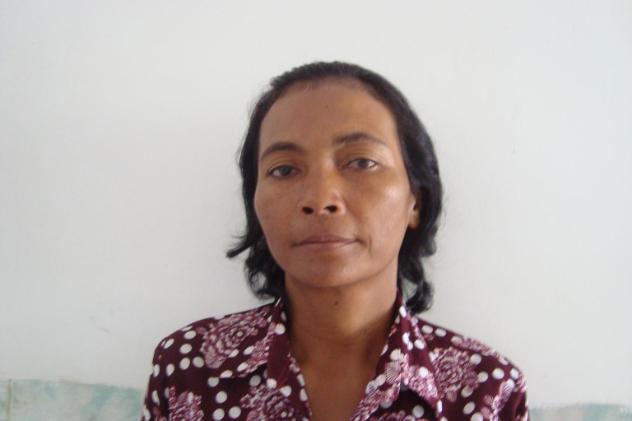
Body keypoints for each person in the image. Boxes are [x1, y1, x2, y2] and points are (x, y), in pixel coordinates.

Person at [140, 61, 529, 421]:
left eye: (361, 162)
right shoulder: (189, 369)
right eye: (284, 169)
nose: (320, 199)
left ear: (416, 200)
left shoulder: (487, 391)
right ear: (254, 202)